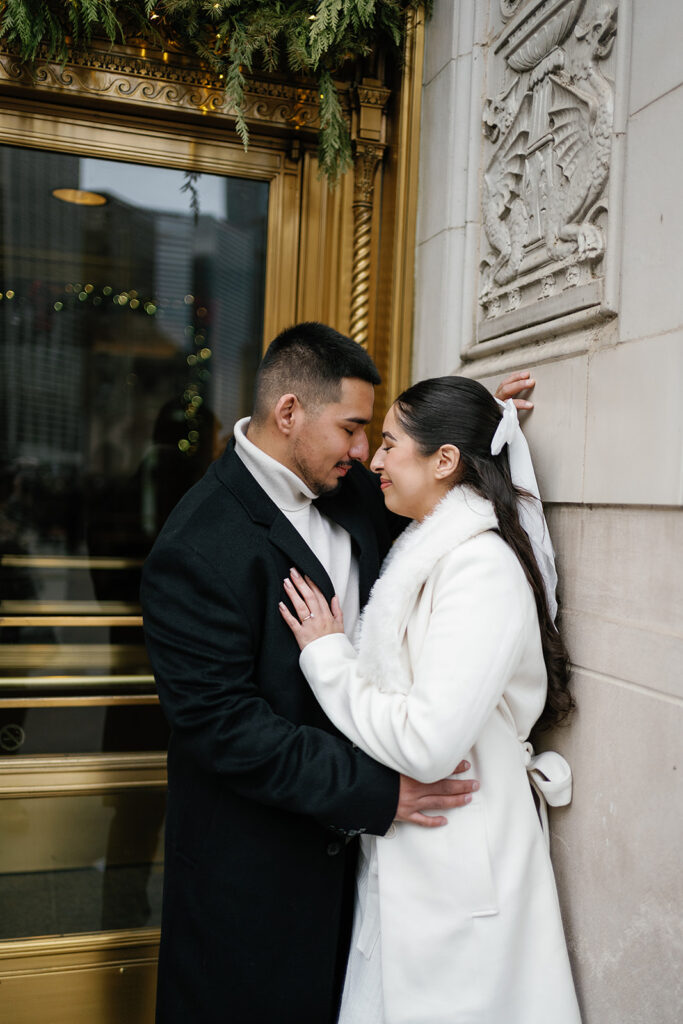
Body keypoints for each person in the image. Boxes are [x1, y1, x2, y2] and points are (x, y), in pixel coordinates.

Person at [142, 324, 525, 1024]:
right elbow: (221, 725)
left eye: (373, 438)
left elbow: (423, 488)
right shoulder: (196, 544)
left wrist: (470, 440)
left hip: (371, 876)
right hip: (256, 878)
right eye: (352, 428)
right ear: (289, 413)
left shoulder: (352, 490)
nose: (363, 451)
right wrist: (373, 792)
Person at [280, 375, 581, 1024]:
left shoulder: (481, 567)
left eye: (389, 444)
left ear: (445, 461)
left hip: (458, 858)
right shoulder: (432, 546)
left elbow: (426, 742)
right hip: (414, 858)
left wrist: (327, 660)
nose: (374, 460)